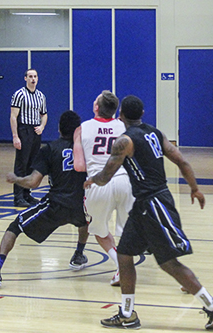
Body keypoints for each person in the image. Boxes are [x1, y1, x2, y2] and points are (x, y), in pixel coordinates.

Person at [85, 95, 213, 330]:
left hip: (153, 205)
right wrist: (195, 189)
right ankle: (127, 313)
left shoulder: (124, 142)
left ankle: (212, 305)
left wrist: (92, 180)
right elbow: (182, 161)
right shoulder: (155, 133)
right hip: (144, 204)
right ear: (141, 113)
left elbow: (106, 175)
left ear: (121, 115)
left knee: (169, 264)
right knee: (124, 254)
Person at [0, 111, 89, 289]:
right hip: (79, 204)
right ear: (78, 130)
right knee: (87, 219)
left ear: (59, 128)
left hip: (56, 205)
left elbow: (33, 182)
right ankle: (78, 254)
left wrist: (16, 179)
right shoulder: (86, 149)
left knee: (15, 226)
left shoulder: (50, 149)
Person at [73, 91, 133, 287]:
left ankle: (119, 267)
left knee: (99, 230)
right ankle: (124, 268)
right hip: (123, 180)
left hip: (98, 182)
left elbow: (79, 166)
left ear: (96, 107)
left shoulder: (82, 128)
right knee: (125, 232)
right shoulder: (124, 127)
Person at [10, 68, 48, 207]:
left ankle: (27, 194)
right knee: (21, 164)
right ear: (25, 78)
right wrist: (15, 136)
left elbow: (44, 114)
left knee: (32, 164)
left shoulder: (40, 96)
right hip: (23, 130)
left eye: (35, 76)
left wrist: (42, 126)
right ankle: (18, 196)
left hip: (35, 132)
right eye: (30, 76)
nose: (33, 79)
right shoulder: (19, 94)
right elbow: (13, 116)